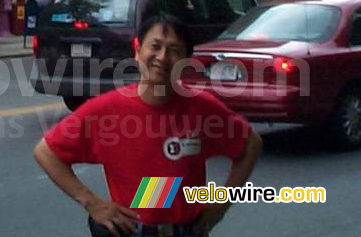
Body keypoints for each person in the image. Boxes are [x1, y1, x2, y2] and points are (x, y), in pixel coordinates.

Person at [34, 13, 262, 236]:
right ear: (137, 51)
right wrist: (93, 204)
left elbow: (250, 144)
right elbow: (46, 152)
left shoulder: (202, 108)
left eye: (174, 50)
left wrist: (220, 207)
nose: (162, 57)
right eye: (155, 46)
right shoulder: (106, 111)